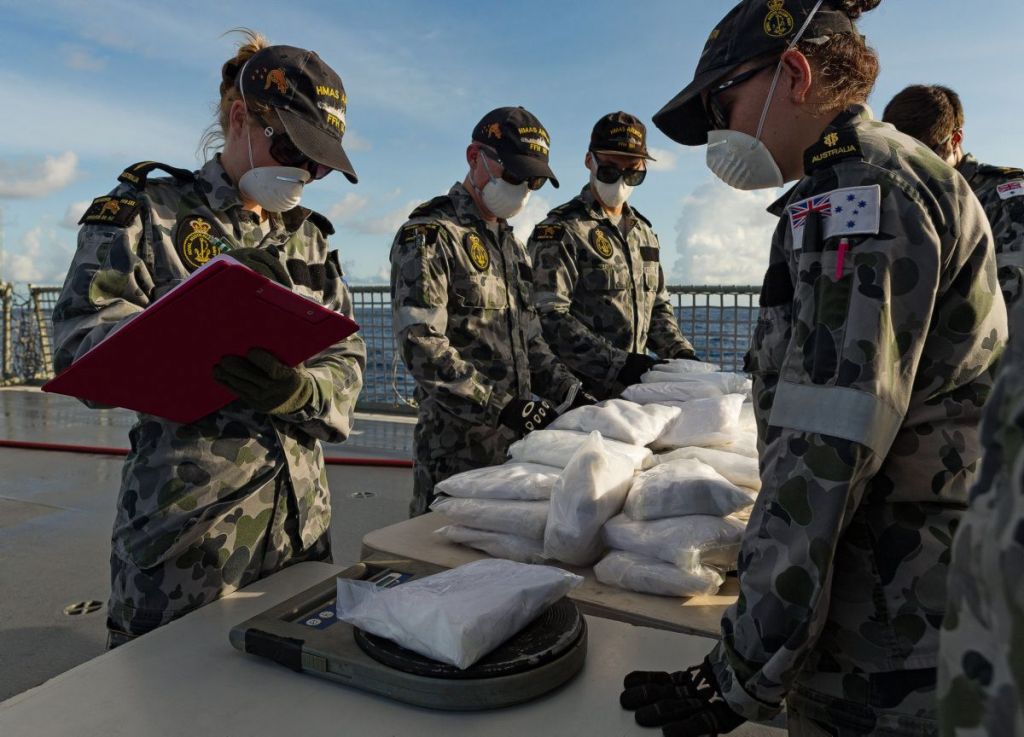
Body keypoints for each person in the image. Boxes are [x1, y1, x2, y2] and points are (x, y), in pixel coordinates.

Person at [618, 1, 1007, 735]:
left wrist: (738, 672)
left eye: (722, 106)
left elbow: (824, 451)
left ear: (793, 73)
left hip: (890, 632)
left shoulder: (856, 193)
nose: (719, 134)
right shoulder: (889, 175)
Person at [51, 32, 366, 647]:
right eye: (293, 148)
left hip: (300, 533)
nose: (305, 172)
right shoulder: (148, 212)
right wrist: (187, 327)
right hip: (187, 540)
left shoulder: (309, 237)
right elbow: (79, 340)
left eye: (319, 162)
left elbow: (346, 353)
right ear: (241, 118)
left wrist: (302, 391)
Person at [390, 107, 593, 518]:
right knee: (442, 564)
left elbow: (529, 341)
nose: (522, 189)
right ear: (474, 157)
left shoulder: (510, 246)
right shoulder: (431, 235)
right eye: (515, 175)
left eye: (533, 181)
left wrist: (572, 394)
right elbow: (421, 345)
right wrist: (501, 406)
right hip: (455, 451)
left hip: (516, 450)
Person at [528, 112, 697, 399]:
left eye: (632, 173)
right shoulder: (561, 230)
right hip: (576, 396)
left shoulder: (644, 234)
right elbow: (548, 318)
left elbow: (657, 307)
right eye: (609, 170)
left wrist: (681, 353)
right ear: (588, 161)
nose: (620, 181)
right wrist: (618, 364)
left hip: (635, 394)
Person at [883, 84, 1024, 318]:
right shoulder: (898, 197)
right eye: (899, 158)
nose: (911, 170)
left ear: (955, 139)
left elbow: (1013, 291)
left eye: (925, 155)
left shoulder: (1006, 197)